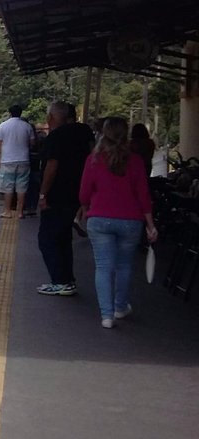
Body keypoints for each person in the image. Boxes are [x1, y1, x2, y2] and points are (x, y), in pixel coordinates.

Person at [79, 117, 158, 328]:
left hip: (100, 219)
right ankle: (120, 307)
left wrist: (87, 212)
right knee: (124, 266)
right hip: (131, 221)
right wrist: (151, 225)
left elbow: (84, 193)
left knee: (103, 267)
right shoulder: (135, 161)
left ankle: (107, 316)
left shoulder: (94, 159)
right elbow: (143, 195)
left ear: (104, 134)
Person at [34, 102, 94, 296]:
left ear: (51, 118)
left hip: (57, 195)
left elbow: (51, 166)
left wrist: (43, 195)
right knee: (64, 238)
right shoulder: (85, 134)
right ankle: (67, 281)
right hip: (77, 193)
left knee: (47, 238)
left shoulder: (56, 137)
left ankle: (60, 281)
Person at [0, 104, 36, 218]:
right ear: (21, 113)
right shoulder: (27, 126)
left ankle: (7, 211)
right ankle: (20, 212)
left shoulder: (3, 126)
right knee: (21, 187)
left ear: (10, 113)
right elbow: (33, 143)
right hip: (24, 160)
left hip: (7, 160)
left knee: (8, 187)